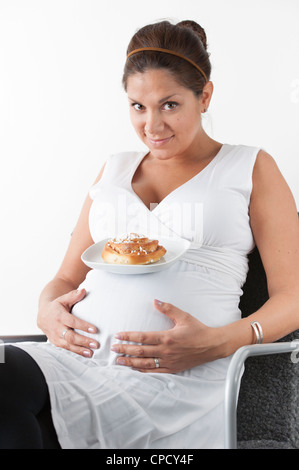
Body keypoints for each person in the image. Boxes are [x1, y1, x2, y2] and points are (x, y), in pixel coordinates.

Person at [1, 19, 299, 449]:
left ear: (205, 96)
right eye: (138, 106)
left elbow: (293, 297)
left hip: (173, 379)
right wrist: (46, 310)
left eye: (170, 105)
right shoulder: (114, 168)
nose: (152, 126)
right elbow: (65, 279)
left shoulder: (250, 167)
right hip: (75, 360)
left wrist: (216, 343)